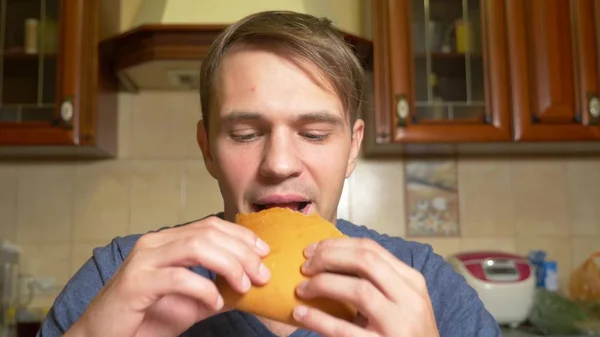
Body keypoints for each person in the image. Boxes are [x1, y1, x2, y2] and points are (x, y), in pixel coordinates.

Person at [38, 10, 501, 337]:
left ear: (353, 147)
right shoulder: (118, 275)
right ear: (208, 150)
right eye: (245, 133)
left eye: (315, 134)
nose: (279, 164)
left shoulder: (422, 284)